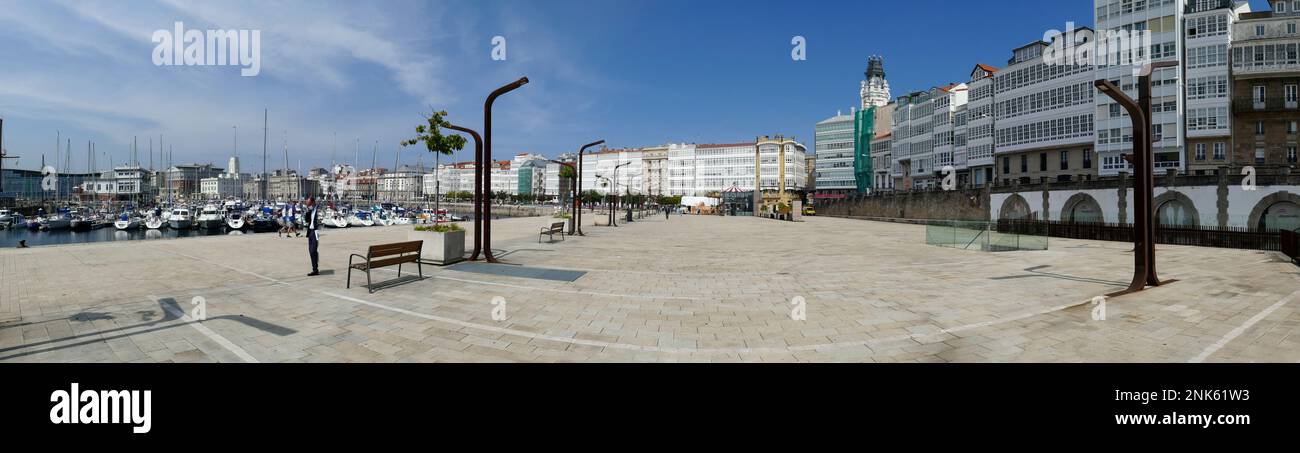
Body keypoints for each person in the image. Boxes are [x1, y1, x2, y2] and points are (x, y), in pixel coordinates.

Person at [304, 197, 320, 276]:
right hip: (310, 232)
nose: (308, 205)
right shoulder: (310, 210)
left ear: (313, 202)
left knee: (313, 250)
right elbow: (306, 220)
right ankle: (315, 269)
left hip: (315, 232)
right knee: (311, 251)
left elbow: (320, 220)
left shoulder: (318, 209)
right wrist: (307, 211)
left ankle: (315, 269)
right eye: (307, 204)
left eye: (309, 204)